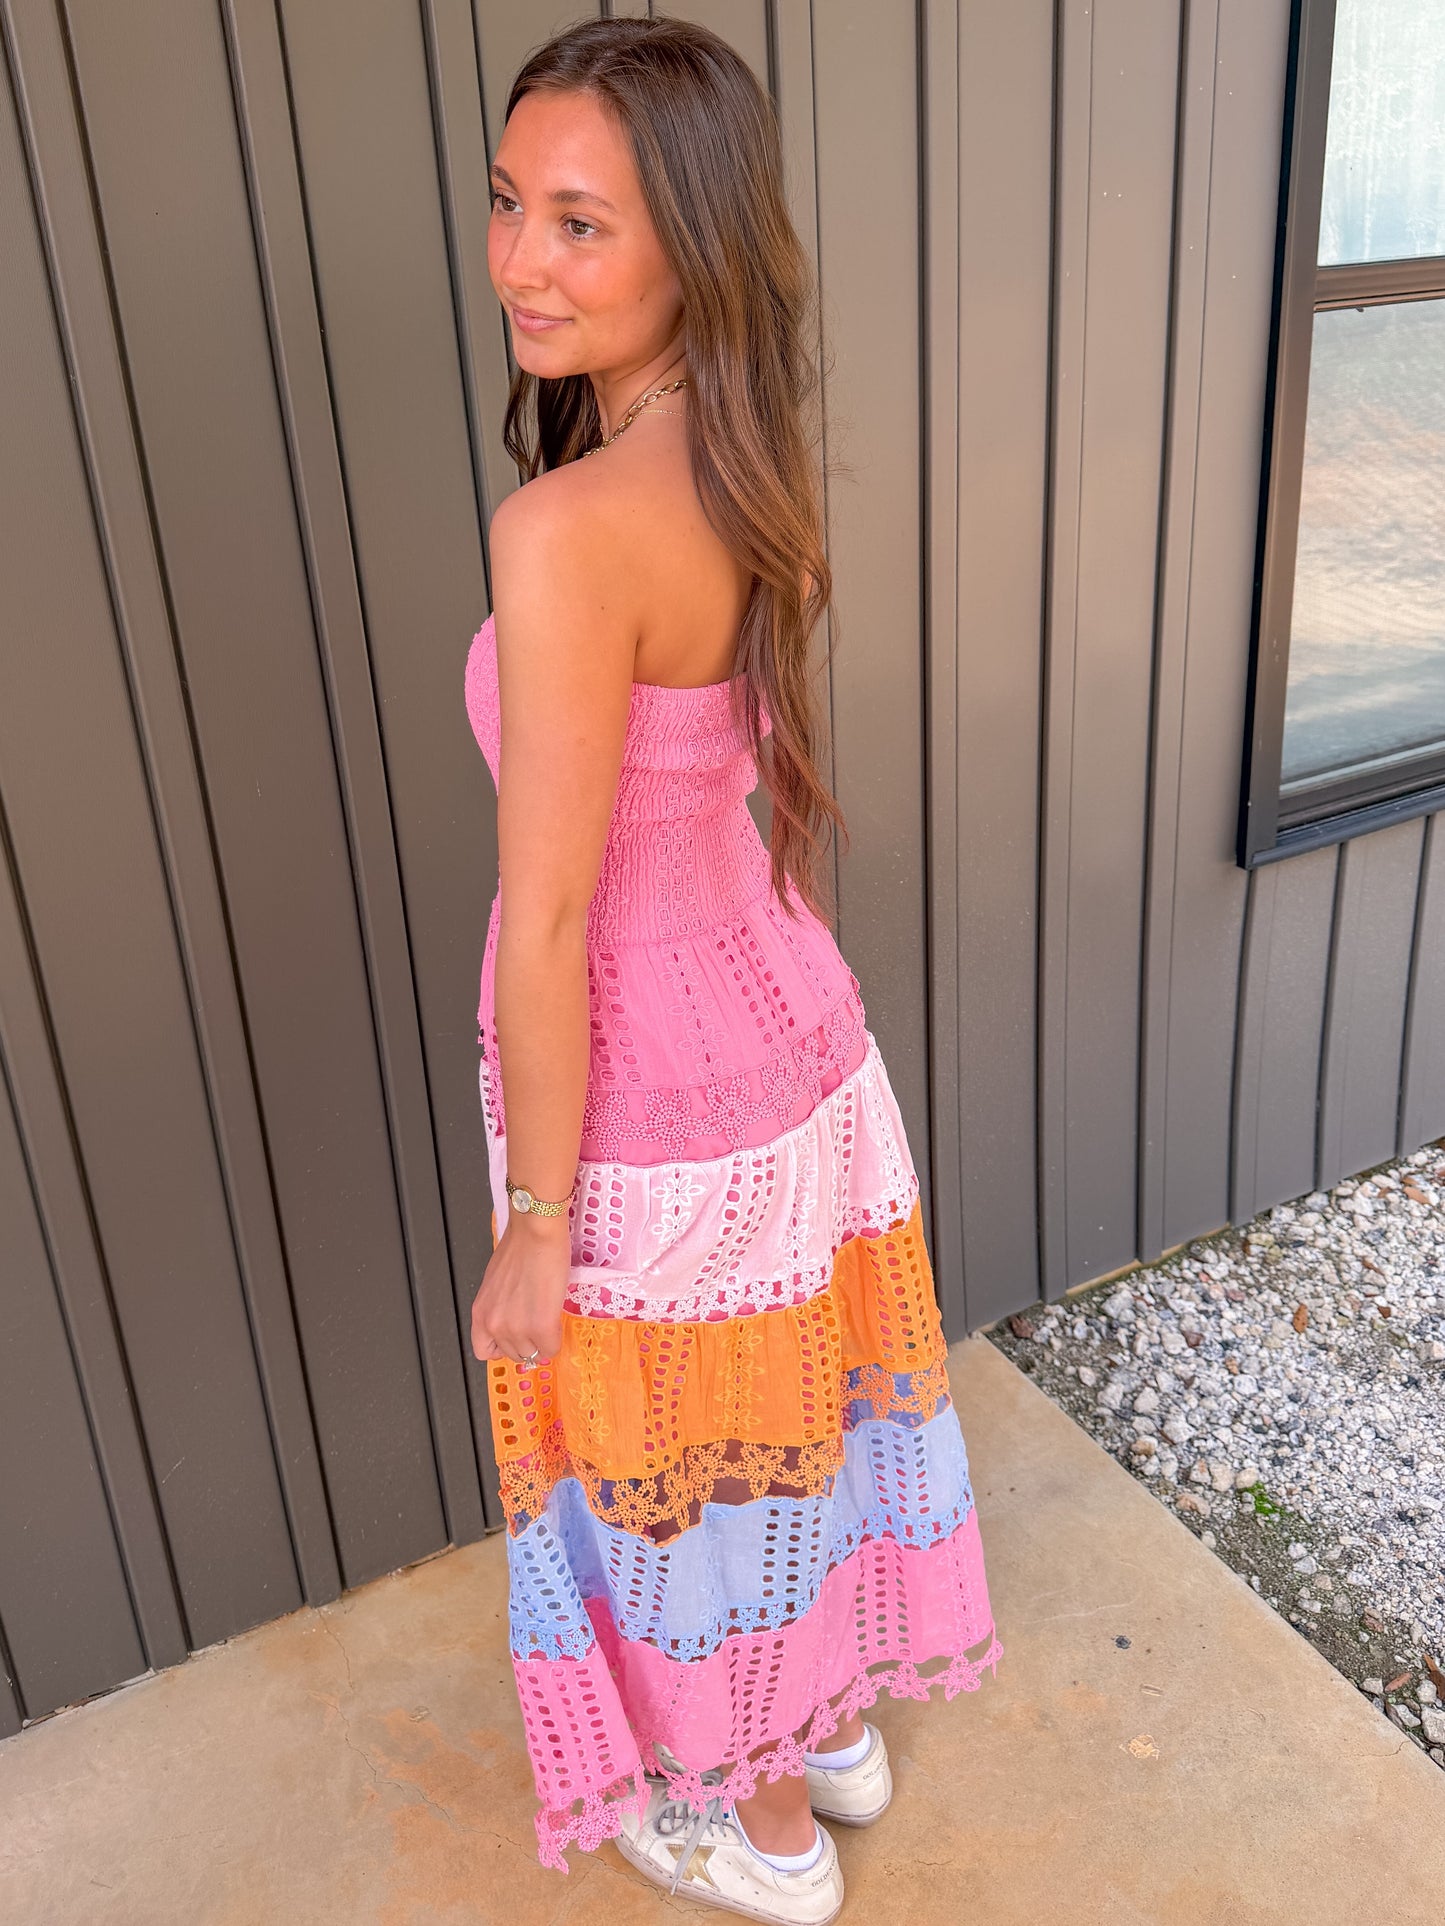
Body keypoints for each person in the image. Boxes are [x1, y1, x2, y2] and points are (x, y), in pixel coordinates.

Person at [464, 17, 1002, 1921]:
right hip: (795, 1044)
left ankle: (759, 1826)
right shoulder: (749, 444)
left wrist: (537, 1209)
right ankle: (832, 1729)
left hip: (644, 1098)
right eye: (513, 205)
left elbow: (543, 918)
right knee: (795, 1420)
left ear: (687, 240)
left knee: (672, 1468)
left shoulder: (562, 533)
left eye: (582, 225)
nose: (523, 257)